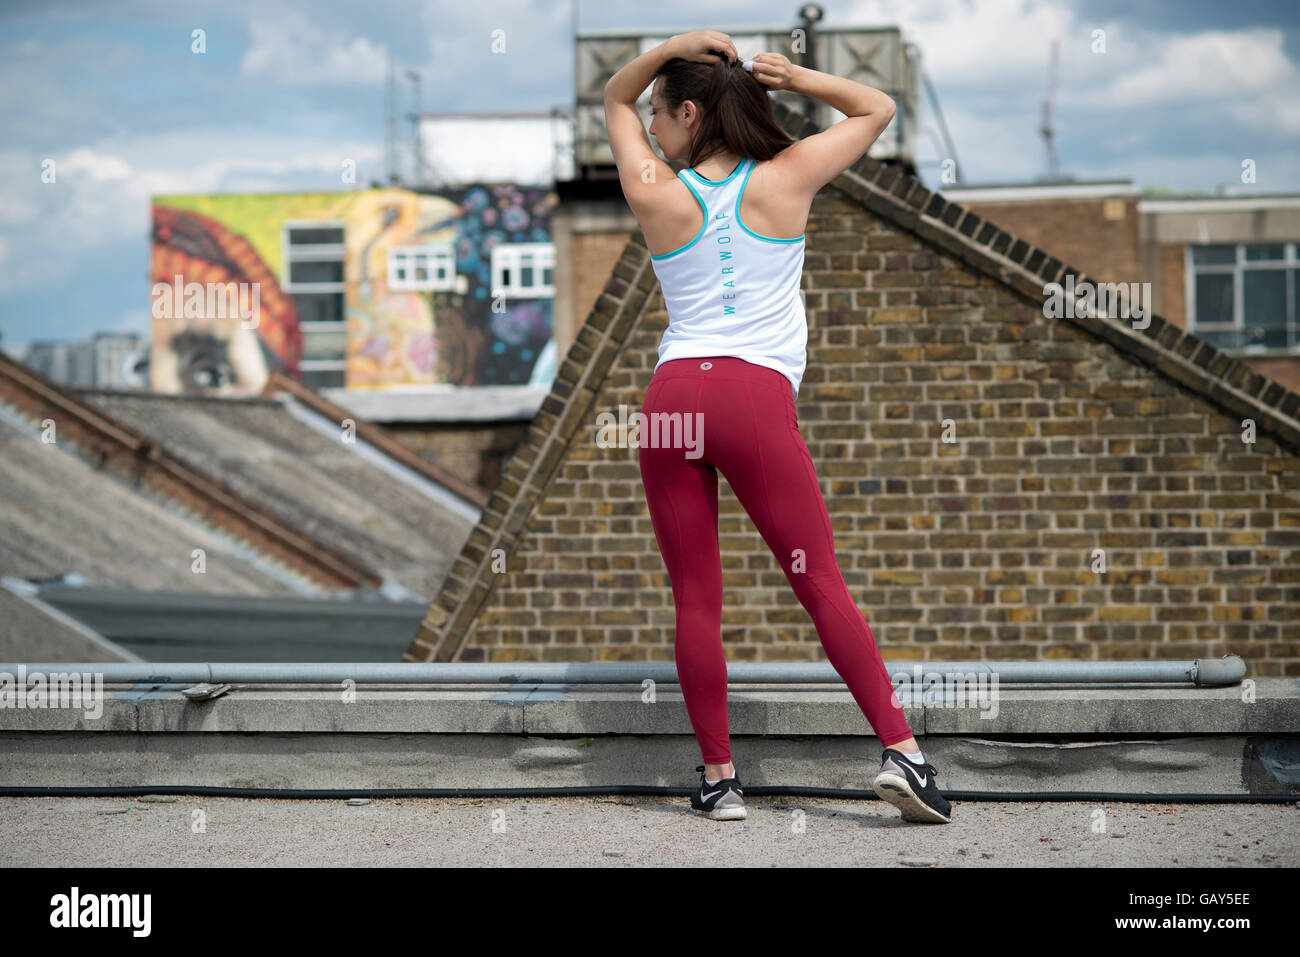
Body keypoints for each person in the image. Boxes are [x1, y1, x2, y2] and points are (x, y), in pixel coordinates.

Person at [603, 29, 952, 825]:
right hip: (750, 400)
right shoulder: (787, 175)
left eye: (664, 113)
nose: (652, 125)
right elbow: (878, 106)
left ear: (690, 112)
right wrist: (796, 75)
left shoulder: (655, 187)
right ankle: (903, 752)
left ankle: (721, 780)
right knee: (817, 578)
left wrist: (669, 47)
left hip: (670, 404)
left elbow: (613, 98)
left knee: (695, 596)